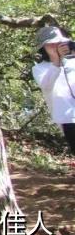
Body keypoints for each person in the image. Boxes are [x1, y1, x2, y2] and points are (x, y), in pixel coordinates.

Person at [31, 25, 75, 154]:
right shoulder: (40, 69)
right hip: (67, 117)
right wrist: (56, 61)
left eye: (58, 42)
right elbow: (46, 85)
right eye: (50, 44)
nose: (56, 46)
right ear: (43, 48)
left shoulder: (72, 62)